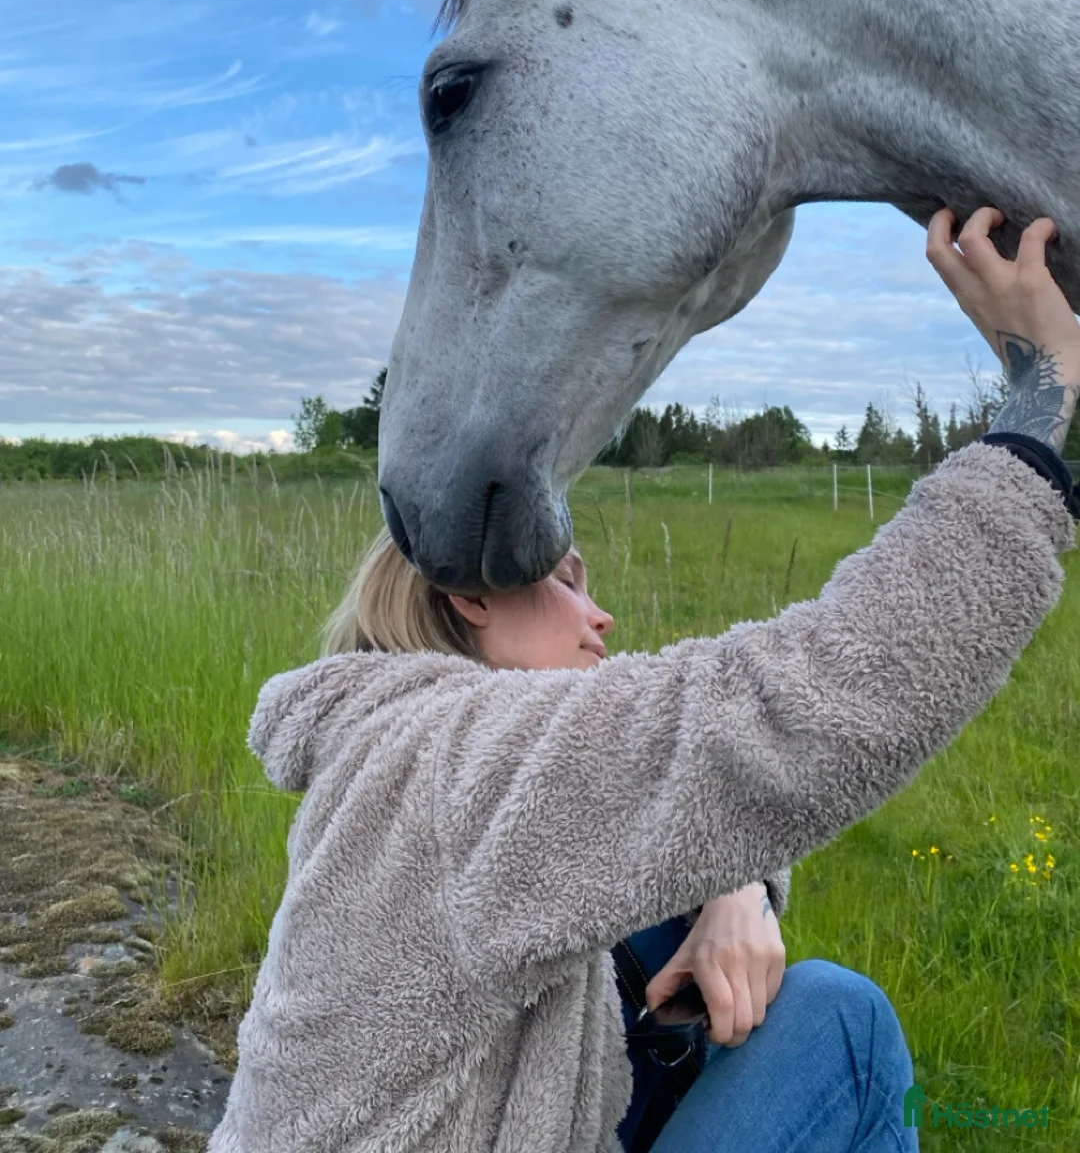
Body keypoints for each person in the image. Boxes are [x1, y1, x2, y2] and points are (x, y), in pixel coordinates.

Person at [207, 206, 1080, 1153]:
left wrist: (733, 891)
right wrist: (1041, 400)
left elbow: (680, 791)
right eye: (566, 580)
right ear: (469, 593)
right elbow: (785, 715)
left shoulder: (417, 757)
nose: (601, 617)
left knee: (732, 963)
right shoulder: (446, 765)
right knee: (844, 1025)